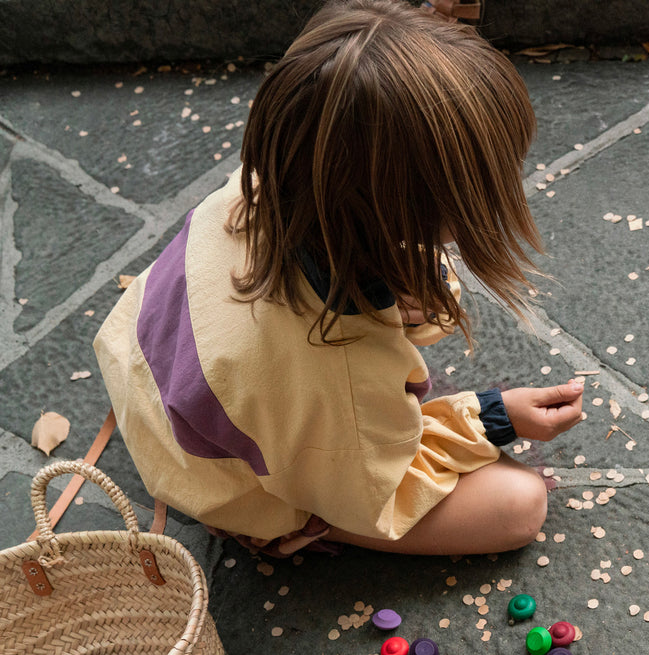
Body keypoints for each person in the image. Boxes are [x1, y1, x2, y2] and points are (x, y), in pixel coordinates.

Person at [93, 0, 582, 558]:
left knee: (417, 306)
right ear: (406, 210)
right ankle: (274, 527)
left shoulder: (270, 179)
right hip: (217, 477)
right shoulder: (336, 363)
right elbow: (375, 488)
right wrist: (490, 417)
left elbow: (360, 75)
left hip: (151, 371)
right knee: (517, 504)